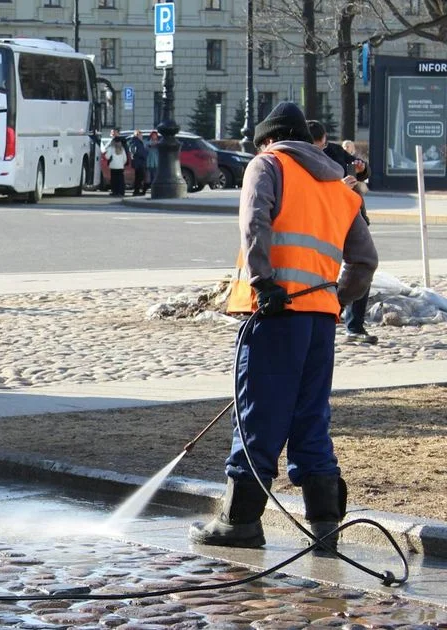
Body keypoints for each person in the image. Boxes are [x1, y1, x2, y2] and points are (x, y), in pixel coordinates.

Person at [189, 102, 378, 553]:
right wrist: (334, 298)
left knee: (258, 414)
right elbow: (365, 261)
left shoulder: (268, 164)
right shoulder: (339, 187)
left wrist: (263, 282)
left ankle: (239, 522)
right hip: (319, 322)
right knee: (310, 420)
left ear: (269, 139)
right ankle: (325, 527)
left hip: (274, 314)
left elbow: (254, 223)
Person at [308, 120, 376, 344]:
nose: (321, 149)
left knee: (363, 265)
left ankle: (353, 324)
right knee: (323, 271)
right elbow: (313, 194)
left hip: (353, 215)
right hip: (326, 221)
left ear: (326, 139)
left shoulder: (335, 151)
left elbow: (361, 172)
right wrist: (340, 188)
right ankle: (321, 316)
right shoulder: (303, 159)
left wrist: (360, 167)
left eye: (322, 144)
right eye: (316, 146)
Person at [105, 129, 128, 197]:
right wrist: (122, 164)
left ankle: (115, 191)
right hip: (120, 167)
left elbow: (107, 156)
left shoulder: (111, 148)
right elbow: (125, 159)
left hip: (113, 166)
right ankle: (121, 192)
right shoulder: (122, 149)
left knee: (114, 180)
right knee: (121, 180)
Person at [128, 130, 149, 195]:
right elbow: (136, 152)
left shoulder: (137, 142)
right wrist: (144, 155)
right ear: (137, 135)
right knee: (140, 177)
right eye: (140, 135)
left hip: (139, 162)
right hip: (139, 162)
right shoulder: (135, 142)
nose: (141, 136)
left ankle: (137, 191)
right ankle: (137, 191)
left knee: (139, 177)